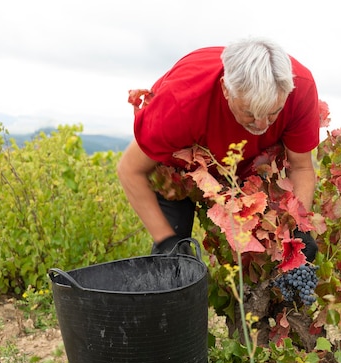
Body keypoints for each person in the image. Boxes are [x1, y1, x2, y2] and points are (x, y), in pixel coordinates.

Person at [117, 38, 319, 261]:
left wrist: (300, 227)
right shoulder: (181, 103)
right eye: (250, 114)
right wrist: (166, 240)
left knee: (258, 257)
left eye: (274, 113)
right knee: (173, 260)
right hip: (177, 169)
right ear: (225, 89)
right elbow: (130, 170)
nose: (262, 125)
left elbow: (301, 168)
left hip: (246, 170)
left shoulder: (300, 88)